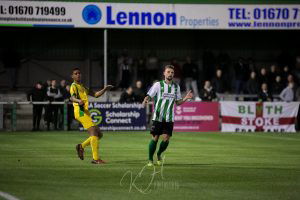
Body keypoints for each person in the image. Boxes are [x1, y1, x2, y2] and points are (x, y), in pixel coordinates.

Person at [142, 65, 193, 166]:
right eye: (168, 72)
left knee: (166, 139)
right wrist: (146, 99)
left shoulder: (176, 87)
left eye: (172, 72)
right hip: (158, 116)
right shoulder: (158, 85)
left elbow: (177, 102)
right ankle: (150, 159)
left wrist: (185, 98)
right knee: (155, 138)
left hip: (169, 118)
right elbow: (149, 95)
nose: (170, 74)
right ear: (164, 73)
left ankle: (159, 154)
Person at [70, 68, 113, 164]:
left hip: (85, 112)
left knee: (99, 134)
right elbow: (72, 97)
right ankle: (96, 159)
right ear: (72, 76)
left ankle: (81, 146)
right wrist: (78, 101)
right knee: (93, 132)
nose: (78, 75)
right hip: (80, 111)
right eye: (75, 73)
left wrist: (105, 89)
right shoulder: (73, 86)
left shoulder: (83, 86)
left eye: (79, 73)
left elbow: (95, 95)